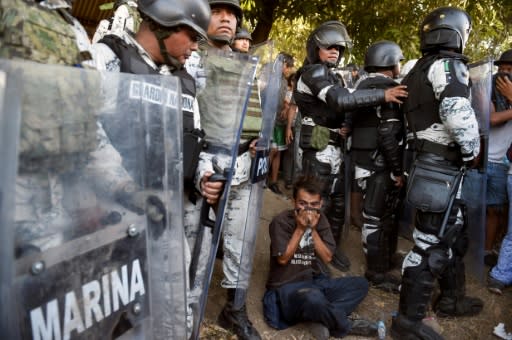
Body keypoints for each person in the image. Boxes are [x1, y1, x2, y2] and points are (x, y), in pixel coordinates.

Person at [391, 7, 483, 339]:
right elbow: (456, 113)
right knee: (429, 245)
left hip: (430, 167)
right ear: (458, 33)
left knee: (454, 237)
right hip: (441, 168)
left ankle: (452, 299)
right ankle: (408, 321)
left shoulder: (416, 70)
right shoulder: (449, 66)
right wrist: (473, 152)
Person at [294, 20, 407, 272]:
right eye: (329, 47)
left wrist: (343, 126)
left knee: (336, 206)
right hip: (318, 149)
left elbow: (341, 107)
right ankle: (307, 258)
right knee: (312, 203)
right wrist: (383, 95)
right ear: (315, 48)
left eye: (339, 48)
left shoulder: (331, 75)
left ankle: (328, 251)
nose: (335, 51)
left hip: (333, 146)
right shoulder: (311, 72)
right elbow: (341, 99)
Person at [186, 1, 263, 339]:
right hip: (205, 166)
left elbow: (254, 113)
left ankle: (234, 309)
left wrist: (258, 138)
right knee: (195, 246)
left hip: (244, 162)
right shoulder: (190, 55)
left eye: (232, 15)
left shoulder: (245, 64)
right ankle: (186, 314)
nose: (227, 19)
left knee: (241, 240)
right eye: (219, 12)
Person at [262, 175, 378, 339]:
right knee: (313, 297)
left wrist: (312, 230)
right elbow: (282, 259)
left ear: (320, 204)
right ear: (293, 202)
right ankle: (344, 325)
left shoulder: (320, 219)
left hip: (314, 283)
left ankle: (319, 317)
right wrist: (301, 229)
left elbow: (328, 257)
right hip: (286, 289)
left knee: (361, 285)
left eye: (314, 205)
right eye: (302, 204)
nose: (308, 210)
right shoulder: (281, 222)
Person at [349, 40, 405, 292]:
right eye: (398, 61)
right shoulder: (391, 88)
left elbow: (348, 123)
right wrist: (396, 169)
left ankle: (383, 261)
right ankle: (376, 272)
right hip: (380, 163)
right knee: (375, 218)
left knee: (372, 216)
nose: (400, 66)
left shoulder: (360, 85)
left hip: (361, 161)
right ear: (389, 62)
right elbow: (387, 134)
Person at [483, 49, 512, 267]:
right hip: (485, 160)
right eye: (501, 69)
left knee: (500, 211)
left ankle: (495, 249)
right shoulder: (487, 90)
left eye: (509, 70)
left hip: (505, 164)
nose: (503, 75)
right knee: (486, 209)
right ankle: (483, 250)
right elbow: (492, 119)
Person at [268, 52, 295, 195]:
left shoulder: (285, 81)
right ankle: (262, 179)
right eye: (288, 66)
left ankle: (273, 181)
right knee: (272, 150)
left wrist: (285, 108)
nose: (288, 70)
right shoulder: (268, 76)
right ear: (282, 63)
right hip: (269, 120)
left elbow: (286, 100)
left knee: (278, 152)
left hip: (280, 121)